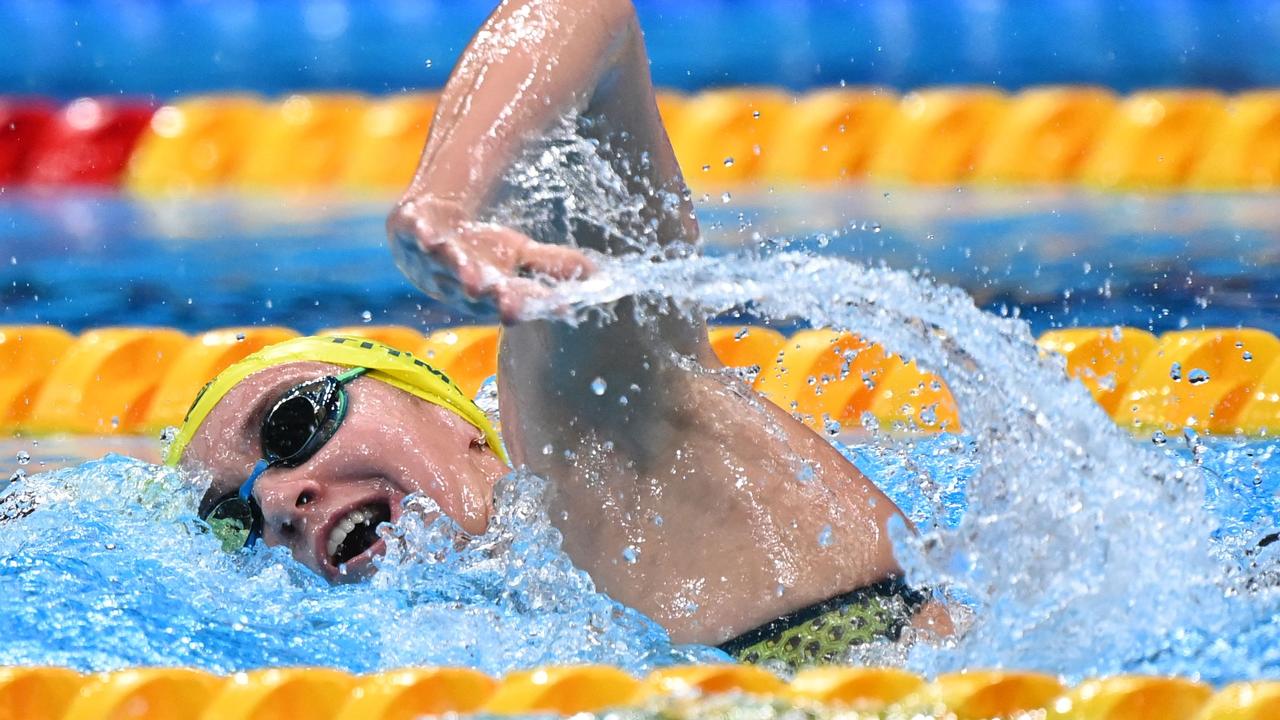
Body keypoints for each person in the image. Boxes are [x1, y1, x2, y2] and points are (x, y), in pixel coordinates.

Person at [169, 0, 951, 667]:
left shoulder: (603, 448)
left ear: (450, 418)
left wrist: (444, 200)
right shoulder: (490, 644)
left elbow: (582, 9)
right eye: (233, 522)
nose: (275, 500)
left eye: (291, 422)